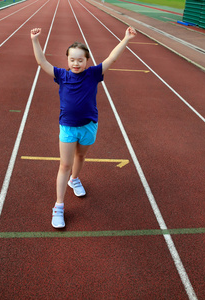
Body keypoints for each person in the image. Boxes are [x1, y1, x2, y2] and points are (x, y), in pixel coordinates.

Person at [30, 26, 137, 228]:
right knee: (64, 165)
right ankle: (59, 206)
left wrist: (126, 38)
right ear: (67, 60)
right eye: (72, 59)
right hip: (68, 127)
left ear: (87, 61)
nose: (76, 63)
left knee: (81, 157)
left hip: (89, 126)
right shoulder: (62, 75)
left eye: (80, 60)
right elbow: (41, 62)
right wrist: (35, 40)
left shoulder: (93, 74)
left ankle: (75, 180)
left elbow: (112, 58)